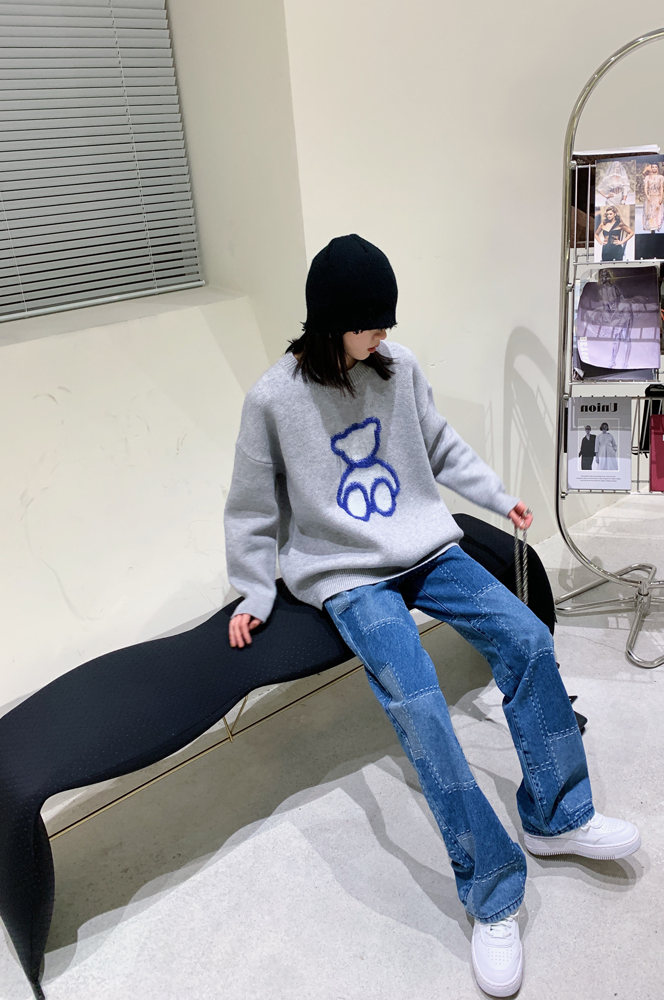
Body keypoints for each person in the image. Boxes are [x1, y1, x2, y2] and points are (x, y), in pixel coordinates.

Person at [224, 235, 640, 998]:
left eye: (387, 321)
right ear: (330, 323)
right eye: (369, 324)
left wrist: (497, 496)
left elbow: (441, 447)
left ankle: (557, 815)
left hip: (424, 545)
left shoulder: (399, 367)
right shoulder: (274, 400)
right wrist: (253, 592)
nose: (383, 334)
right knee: (420, 705)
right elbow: (251, 510)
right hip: (348, 575)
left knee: (526, 638)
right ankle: (493, 892)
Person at [642, 162, 664, 233]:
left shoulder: (661, 177)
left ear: (658, 168)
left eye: (656, 167)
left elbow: (661, 188)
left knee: (658, 213)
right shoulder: (647, 177)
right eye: (653, 167)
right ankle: (652, 228)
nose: (654, 168)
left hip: (657, 197)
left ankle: (655, 227)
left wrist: (661, 197)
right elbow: (646, 187)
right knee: (650, 213)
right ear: (651, 168)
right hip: (650, 197)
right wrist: (647, 196)